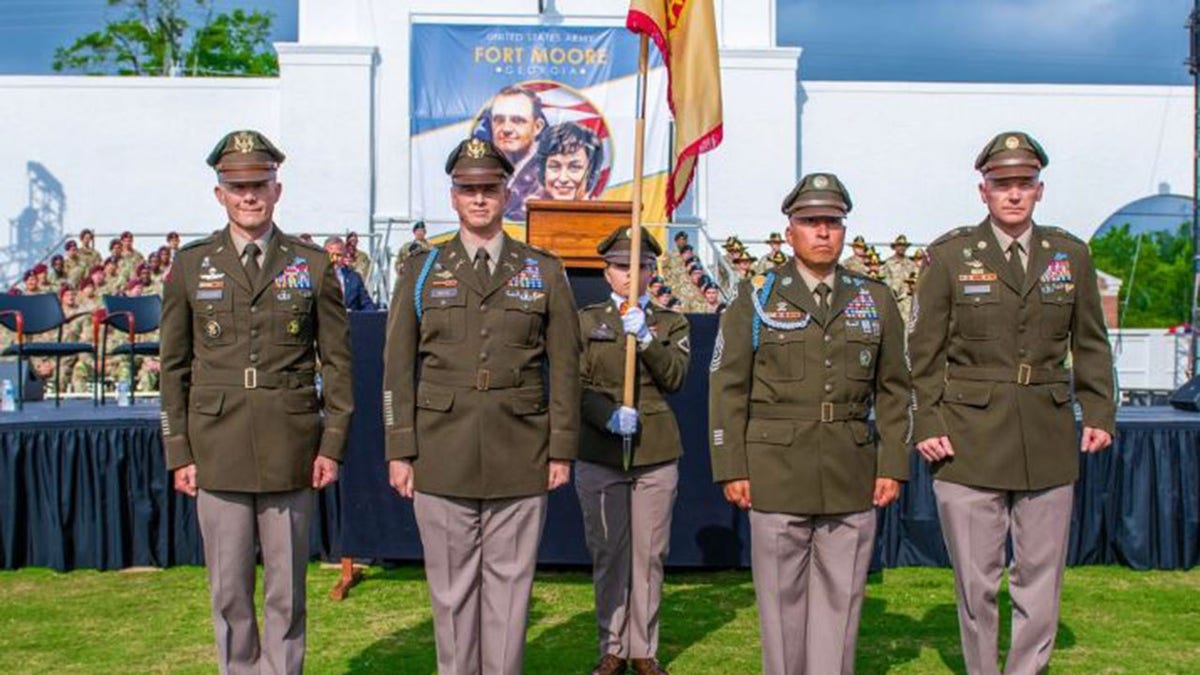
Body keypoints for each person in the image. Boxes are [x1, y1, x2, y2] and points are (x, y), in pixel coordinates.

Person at [908, 131, 1115, 675]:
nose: (1014, 195)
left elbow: (1090, 341)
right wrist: (925, 419)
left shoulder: (1070, 255)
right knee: (977, 582)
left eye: (1024, 184)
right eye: (1003, 185)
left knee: (1040, 580)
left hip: (1046, 435)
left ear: (1040, 190)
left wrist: (1098, 411)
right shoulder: (951, 256)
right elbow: (922, 351)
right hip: (968, 437)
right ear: (984, 191)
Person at [383, 137, 581, 675]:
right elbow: (397, 369)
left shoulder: (542, 269)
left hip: (521, 450)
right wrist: (400, 449)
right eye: (468, 189)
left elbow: (564, 366)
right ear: (453, 197)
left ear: (506, 193)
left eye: (489, 188)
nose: (478, 199)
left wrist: (561, 448)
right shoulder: (423, 270)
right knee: (450, 596)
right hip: (441, 452)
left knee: (510, 594)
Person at [159, 129, 354, 675]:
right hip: (215, 445)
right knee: (228, 590)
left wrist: (331, 445)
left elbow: (337, 365)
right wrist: (179, 452)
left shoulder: (311, 265)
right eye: (237, 186)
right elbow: (173, 367)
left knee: (287, 591)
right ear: (219, 194)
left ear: (278, 189)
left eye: (259, 185)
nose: (249, 196)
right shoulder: (192, 266)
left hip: (291, 445)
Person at [709, 172, 910, 675]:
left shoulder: (875, 299)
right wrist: (731, 465)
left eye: (833, 222)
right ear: (790, 230)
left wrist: (893, 463)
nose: (823, 232)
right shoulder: (755, 298)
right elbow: (727, 386)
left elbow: (894, 389)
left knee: (842, 606)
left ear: (844, 229)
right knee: (781, 606)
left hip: (850, 470)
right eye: (810, 221)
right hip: (775, 469)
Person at [577, 226, 689, 675]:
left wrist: (646, 338)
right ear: (607, 273)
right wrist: (606, 414)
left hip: (654, 451)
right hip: (600, 449)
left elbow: (676, 377)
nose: (630, 275)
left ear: (652, 271)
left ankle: (643, 648)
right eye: (622, 267)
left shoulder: (670, 322)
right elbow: (573, 384)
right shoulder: (586, 321)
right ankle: (612, 646)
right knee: (608, 551)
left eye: (640, 266)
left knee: (649, 554)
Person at [483, 85, 548, 221]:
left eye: (517, 120)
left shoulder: (550, 177)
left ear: (537, 127)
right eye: (499, 120)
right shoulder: (487, 169)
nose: (506, 129)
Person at [536, 121, 605, 201]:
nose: (563, 178)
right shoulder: (527, 211)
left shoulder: (605, 213)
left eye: (574, 167)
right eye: (554, 167)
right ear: (542, 171)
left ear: (593, 173)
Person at [324, 236, 377, 311]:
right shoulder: (317, 277)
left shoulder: (354, 278)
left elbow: (366, 304)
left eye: (339, 255)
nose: (335, 259)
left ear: (343, 255)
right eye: (332, 255)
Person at [882, 234, 918, 299]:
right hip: (892, 298)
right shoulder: (888, 263)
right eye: (899, 245)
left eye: (904, 246)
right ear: (895, 247)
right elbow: (884, 280)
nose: (902, 247)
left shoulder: (911, 264)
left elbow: (916, 279)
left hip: (907, 299)